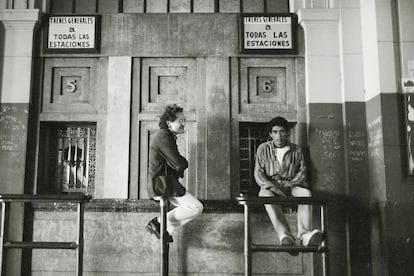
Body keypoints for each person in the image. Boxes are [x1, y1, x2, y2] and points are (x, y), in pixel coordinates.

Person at [254, 116, 322, 249]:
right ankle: (285, 235)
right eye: (275, 132)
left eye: (282, 132)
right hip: (271, 187)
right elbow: (258, 173)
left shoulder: (296, 150)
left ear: (287, 133)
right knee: (264, 195)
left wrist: (288, 186)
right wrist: (273, 186)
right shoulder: (263, 148)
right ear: (270, 134)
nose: (278, 136)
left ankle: (305, 234)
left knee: (305, 193)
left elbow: (302, 173)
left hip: (291, 186)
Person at [146, 104, 203, 243]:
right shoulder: (164, 136)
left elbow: (175, 163)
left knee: (193, 208)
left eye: (184, 120)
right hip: (163, 185)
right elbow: (179, 163)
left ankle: (165, 227)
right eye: (180, 121)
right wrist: (182, 163)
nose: (183, 123)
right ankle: (158, 222)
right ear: (168, 123)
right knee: (196, 207)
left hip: (166, 183)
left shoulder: (168, 136)